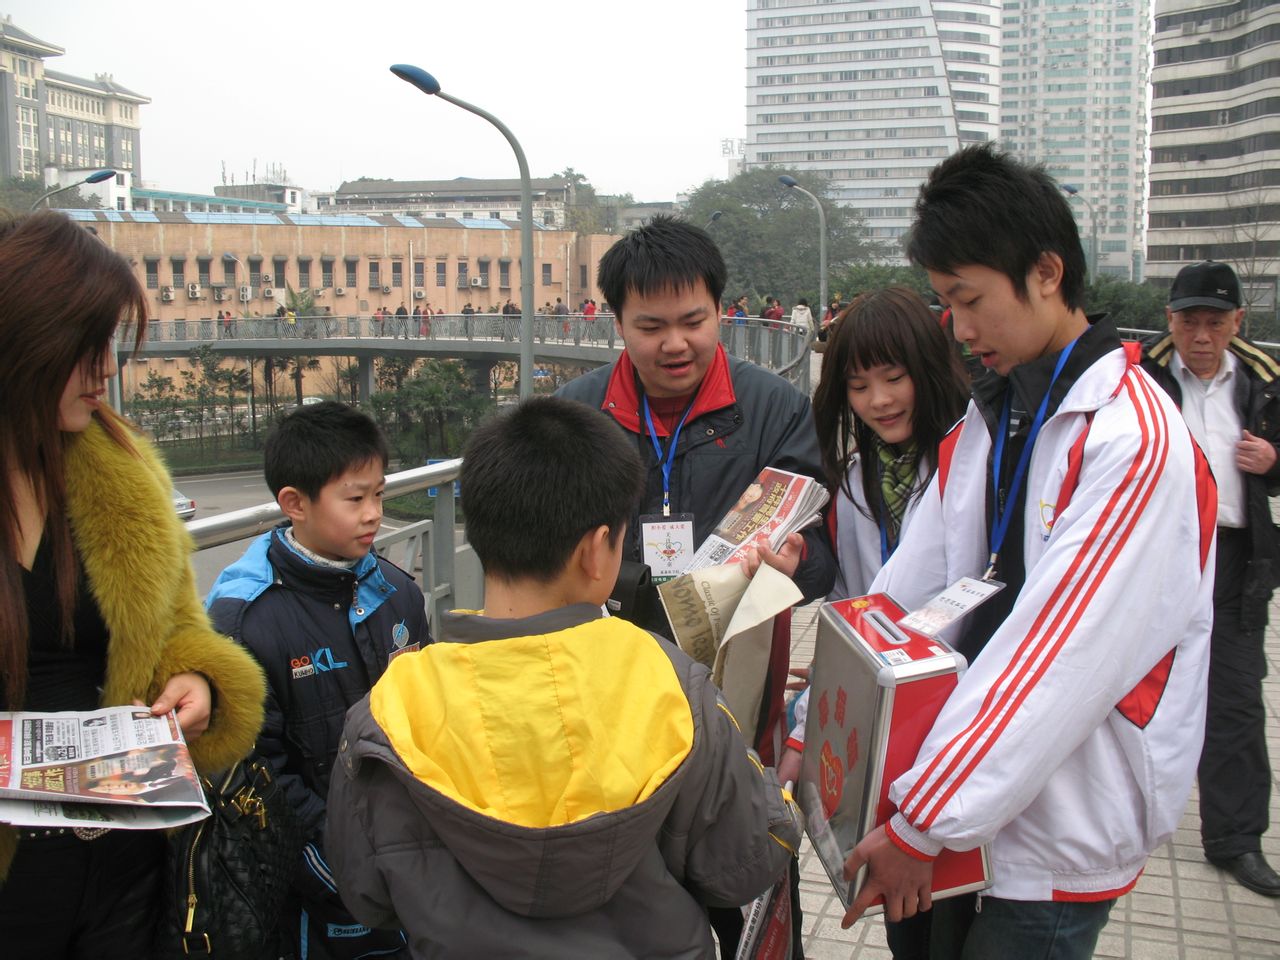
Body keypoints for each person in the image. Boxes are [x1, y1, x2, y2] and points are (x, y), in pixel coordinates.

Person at [839, 143, 1215, 958]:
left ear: (1047, 273)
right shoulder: (998, 408)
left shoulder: (1130, 439)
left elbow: (1058, 653)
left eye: (970, 300)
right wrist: (828, 704)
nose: (961, 330)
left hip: (1057, 816)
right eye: (946, 303)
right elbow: (918, 578)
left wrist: (924, 819)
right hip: (972, 788)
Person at [325, 397, 801, 958]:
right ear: (596, 550)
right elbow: (741, 866)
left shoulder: (390, 710)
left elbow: (365, 893)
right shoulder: (669, 680)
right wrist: (782, 797)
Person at [557, 215, 836, 955]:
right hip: (612, 699)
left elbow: (822, 559)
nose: (674, 344)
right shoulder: (577, 415)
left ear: (722, 310)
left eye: (693, 321)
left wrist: (794, 562)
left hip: (738, 699)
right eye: (650, 326)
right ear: (615, 321)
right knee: (628, 890)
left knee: (750, 885)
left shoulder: (771, 408)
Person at [0, 210, 265, 956]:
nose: (107, 369)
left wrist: (198, 682)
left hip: (121, 856)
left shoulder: (123, 471)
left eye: (111, 342)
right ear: (23, 339)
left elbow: (178, 625)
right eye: (86, 346)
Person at [778, 287, 969, 959]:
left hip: (956, 728)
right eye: (859, 385)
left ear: (930, 368)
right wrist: (817, 706)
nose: (880, 400)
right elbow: (862, 613)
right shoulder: (855, 482)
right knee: (904, 926)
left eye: (894, 377)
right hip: (891, 739)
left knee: (957, 916)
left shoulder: (967, 467)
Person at [206, 401, 430, 960]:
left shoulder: (398, 593)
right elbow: (261, 775)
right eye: (355, 498)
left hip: (409, 860)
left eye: (379, 494)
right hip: (316, 884)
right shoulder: (245, 619)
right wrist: (340, 870)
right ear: (294, 503)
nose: (374, 513)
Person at [1139, 260, 1280, 898]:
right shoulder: (1140, 378)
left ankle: (1235, 840)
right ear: (1170, 320)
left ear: (1236, 323)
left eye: (1214, 322)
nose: (1200, 335)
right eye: (1189, 321)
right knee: (1132, 691)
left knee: (1235, 703)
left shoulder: (1264, 381)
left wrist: (1274, 459)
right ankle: (1118, 819)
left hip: (1233, 563)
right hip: (1155, 562)